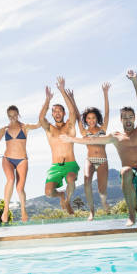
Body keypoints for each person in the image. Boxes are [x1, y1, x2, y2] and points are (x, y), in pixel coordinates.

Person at [61, 70, 137, 253]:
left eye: (130, 116)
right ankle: (131, 214)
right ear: (121, 119)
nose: (127, 120)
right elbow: (91, 140)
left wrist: (135, 81)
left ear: (135, 118)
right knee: (125, 171)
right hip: (128, 172)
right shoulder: (115, 136)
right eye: (124, 117)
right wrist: (73, 140)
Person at [0, 105, 40, 223]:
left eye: (15, 115)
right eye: (10, 116)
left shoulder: (25, 127)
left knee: (20, 188)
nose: (12, 118)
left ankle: (23, 210)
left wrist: (46, 104)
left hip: (22, 160)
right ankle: (5, 210)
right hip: (7, 159)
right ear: (7, 116)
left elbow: (38, 124)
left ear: (18, 114)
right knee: (10, 180)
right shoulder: (4, 130)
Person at [66, 83, 111, 219]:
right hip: (89, 160)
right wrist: (72, 99)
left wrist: (105, 94)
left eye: (93, 118)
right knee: (87, 182)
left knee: (101, 189)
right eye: (89, 118)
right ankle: (92, 211)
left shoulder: (103, 129)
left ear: (97, 118)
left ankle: (103, 202)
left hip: (102, 161)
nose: (91, 120)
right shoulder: (84, 131)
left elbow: (107, 112)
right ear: (86, 119)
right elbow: (78, 116)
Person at [39, 76, 80, 215]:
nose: (57, 113)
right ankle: (61, 195)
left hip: (70, 163)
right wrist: (47, 100)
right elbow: (41, 119)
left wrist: (62, 90)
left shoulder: (68, 126)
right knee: (49, 192)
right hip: (55, 166)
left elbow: (73, 112)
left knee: (70, 179)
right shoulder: (50, 129)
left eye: (59, 111)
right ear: (52, 114)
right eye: (54, 111)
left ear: (63, 113)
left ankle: (67, 200)